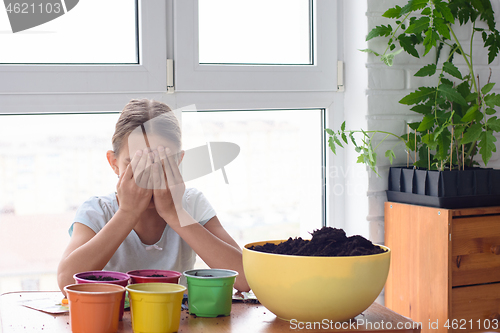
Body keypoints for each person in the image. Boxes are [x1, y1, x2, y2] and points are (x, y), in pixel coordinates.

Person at [57, 99, 250, 292]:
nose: (149, 179)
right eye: (136, 166)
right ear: (114, 162)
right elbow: (66, 282)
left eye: (163, 165)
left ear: (179, 162)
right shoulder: (98, 212)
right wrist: (127, 213)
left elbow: (246, 280)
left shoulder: (191, 204)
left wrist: (175, 214)